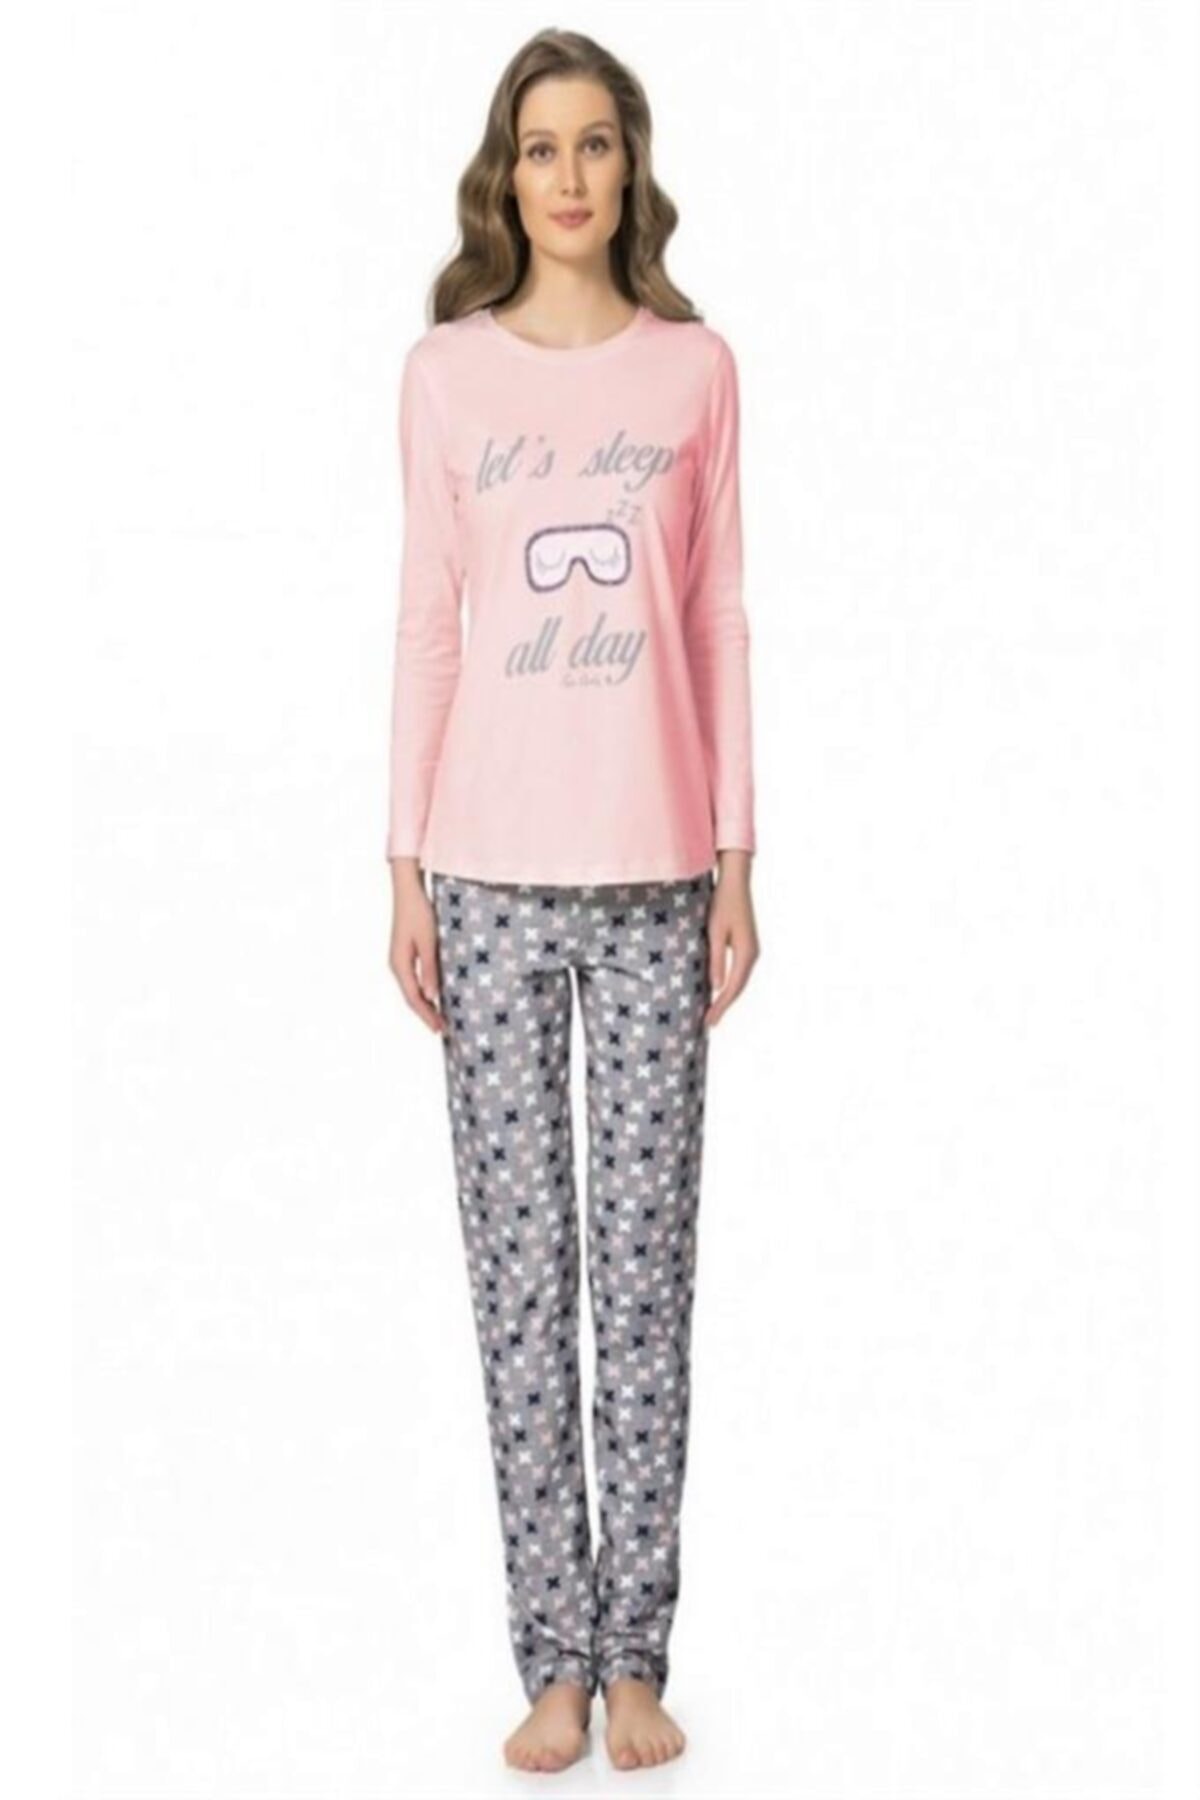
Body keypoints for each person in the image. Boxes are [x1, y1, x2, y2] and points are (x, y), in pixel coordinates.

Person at [385, 27, 760, 1775]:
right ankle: (551, 1657)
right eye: (540, 147)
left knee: (646, 1281)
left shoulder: (696, 372)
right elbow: (428, 622)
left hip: (658, 873)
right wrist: (403, 863)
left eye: (595, 143)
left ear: (630, 166)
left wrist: (738, 857)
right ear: (505, 174)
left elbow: (718, 619)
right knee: (522, 1282)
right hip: (485, 880)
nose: (569, 175)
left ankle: (638, 1657)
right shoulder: (444, 375)